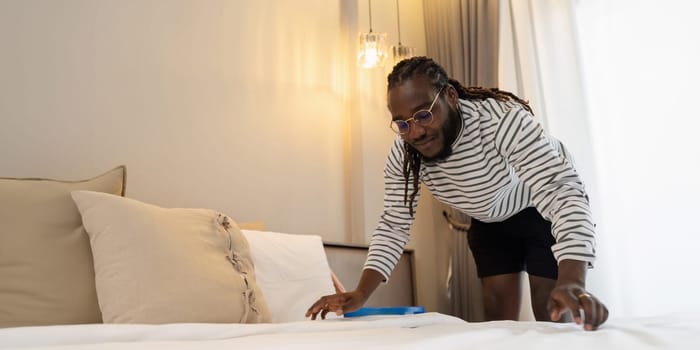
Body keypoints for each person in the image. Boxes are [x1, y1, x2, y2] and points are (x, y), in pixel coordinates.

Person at [306, 56, 608, 330]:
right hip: (488, 218)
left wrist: (572, 281)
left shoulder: (501, 121)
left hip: (538, 208)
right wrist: (360, 294)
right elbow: (394, 225)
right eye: (402, 124)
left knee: (551, 313)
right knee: (500, 325)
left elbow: (560, 192)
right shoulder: (405, 153)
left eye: (424, 115)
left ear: (450, 97)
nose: (416, 132)